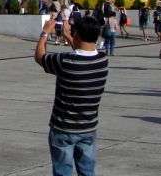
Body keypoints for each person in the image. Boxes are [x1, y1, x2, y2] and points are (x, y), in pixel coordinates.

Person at [35, 17, 108, 176]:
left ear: (77, 35)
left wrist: (45, 33)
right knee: (87, 172)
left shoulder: (65, 60)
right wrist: (67, 34)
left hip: (63, 129)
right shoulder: (103, 60)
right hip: (88, 128)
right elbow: (83, 49)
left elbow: (40, 56)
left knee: (63, 172)